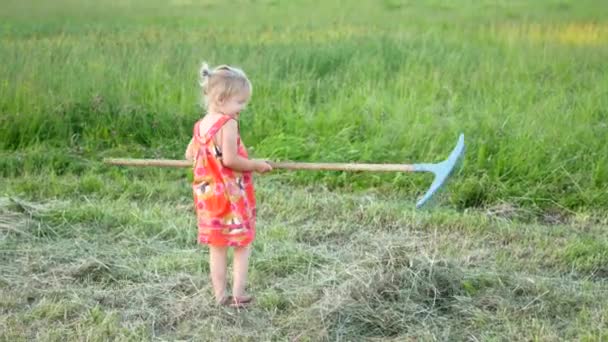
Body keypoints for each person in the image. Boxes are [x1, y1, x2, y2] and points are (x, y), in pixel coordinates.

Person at [185, 62, 272, 308]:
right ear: (221, 99)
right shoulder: (228, 124)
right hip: (230, 199)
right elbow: (231, 160)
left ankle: (219, 295)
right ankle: (238, 293)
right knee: (241, 244)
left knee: (217, 247)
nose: (242, 108)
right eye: (239, 102)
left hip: (208, 199)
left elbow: (189, 155)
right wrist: (255, 164)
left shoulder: (200, 125)